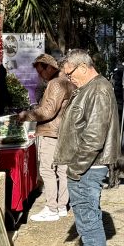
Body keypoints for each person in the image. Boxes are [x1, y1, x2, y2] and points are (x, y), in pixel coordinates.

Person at [55, 49, 121, 246]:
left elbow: (94, 137)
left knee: (89, 228)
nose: (69, 79)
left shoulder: (98, 89)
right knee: (90, 226)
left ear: (83, 67)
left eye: (70, 74)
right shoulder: (92, 88)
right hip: (87, 166)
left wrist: (75, 169)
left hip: (87, 168)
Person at [18, 54, 75, 223]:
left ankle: (52, 208)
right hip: (63, 132)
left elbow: (48, 111)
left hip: (51, 133)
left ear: (49, 67)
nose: (39, 75)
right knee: (62, 170)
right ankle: (61, 206)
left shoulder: (56, 83)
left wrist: (26, 115)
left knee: (47, 171)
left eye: (40, 71)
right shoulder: (66, 81)